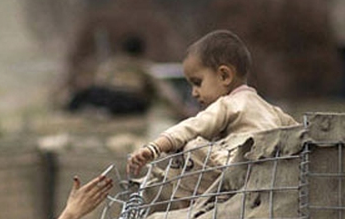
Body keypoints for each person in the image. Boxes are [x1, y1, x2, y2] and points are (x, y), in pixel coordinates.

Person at [126, 29, 297, 177]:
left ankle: (187, 208)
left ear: (224, 76)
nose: (194, 93)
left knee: (190, 147)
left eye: (197, 83)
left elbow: (191, 127)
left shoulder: (227, 104)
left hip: (237, 170)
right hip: (273, 172)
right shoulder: (271, 109)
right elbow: (298, 133)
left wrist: (154, 148)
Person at [67, 34, 187, 118]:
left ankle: (70, 110)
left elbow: (100, 82)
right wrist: (180, 109)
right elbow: (164, 92)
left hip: (122, 101)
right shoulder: (144, 66)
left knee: (90, 92)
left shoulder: (115, 65)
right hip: (132, 102)